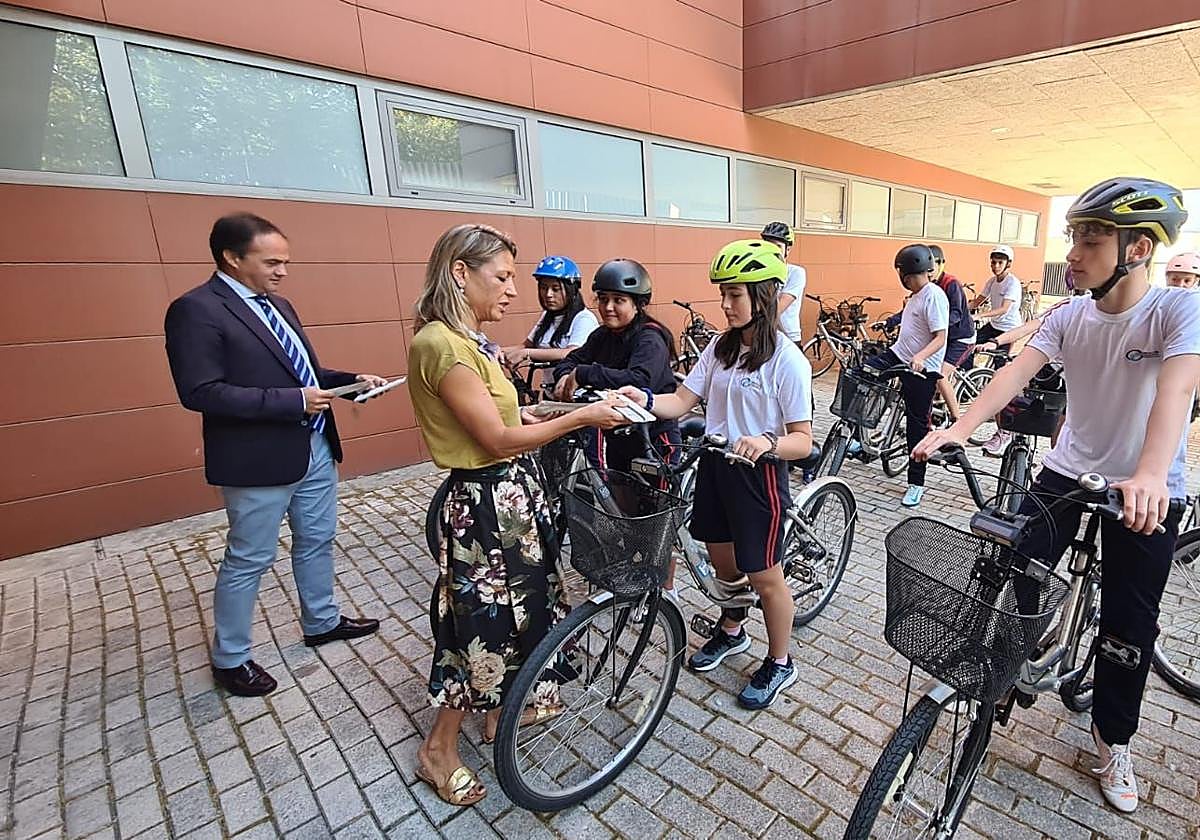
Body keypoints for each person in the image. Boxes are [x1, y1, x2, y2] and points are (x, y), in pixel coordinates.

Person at [915, 177, 1200, 815]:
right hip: (1067, 472)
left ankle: (1112, 738)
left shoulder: (1176, 311)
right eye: (1073, 237)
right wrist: (957, 427)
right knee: (1016, 567)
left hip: (1147, 488)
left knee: (1129, 629)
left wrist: (1152, 474)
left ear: (1135, 250)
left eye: (1089, 240)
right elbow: (1014, 374)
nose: (1072, 253)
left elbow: (1178, 392)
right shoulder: (1070, 315)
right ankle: (1020, 654)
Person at [407, 224, 627, 807]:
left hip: (510, 500)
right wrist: (583, 420)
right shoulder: (442, 345)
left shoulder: (470, 339)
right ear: (460, 272)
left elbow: (514, 418)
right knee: (479, 628)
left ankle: (504, 709)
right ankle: (439, 749)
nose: (512, 290)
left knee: (522, 615)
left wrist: (564, 408)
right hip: (484, 503)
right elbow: (498, 439)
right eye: (502, 276)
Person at [164, 213, 385, 698]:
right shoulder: (195, 309)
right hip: (257, 458)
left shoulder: (278, 304)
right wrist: (293, 402)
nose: (283, 271)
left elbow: (299, 370)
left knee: (318, 538)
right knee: (249, 557)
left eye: (286, 261)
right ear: (231, 257)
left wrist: (348, 383)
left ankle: (321, 621)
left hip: (315, 446)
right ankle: (231, 658)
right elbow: (201, 391)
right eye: (272, 261)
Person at [619, 240, 813, 709]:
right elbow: (680, 402)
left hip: (758, 476)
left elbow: (802, 441)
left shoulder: (787, 360)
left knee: (764, 574)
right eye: (723, 294)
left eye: (735, 295)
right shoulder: (720, 349)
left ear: (764, 296)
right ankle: (732, 629)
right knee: (724, 565)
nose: (725, 304)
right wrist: (639, 399)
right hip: (715, 466)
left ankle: (781, 661)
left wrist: (766, 443)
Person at [553, 259, 680, 475]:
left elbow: (638, 380)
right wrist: (565, 375)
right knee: (618, 494)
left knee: (655, 505)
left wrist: (585, 373)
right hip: (618, 433)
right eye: (603, 299)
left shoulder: (650, 339)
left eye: (618, 300)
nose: (608, 307)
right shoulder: (602, 335)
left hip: (653, 437)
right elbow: (571, 359)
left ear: (638, 304)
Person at [863, 245, 948, 508]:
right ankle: (859, 439)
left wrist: (921, 357)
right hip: (899, 354)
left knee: (916, 426)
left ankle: (916, 484)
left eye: (901, 273)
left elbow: (941, 337)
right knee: (862, 374)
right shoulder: (916, 295)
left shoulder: (933, 296)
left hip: (923, 370)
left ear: (908, 273)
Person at [500, 255, 599, 367]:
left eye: (555, 289)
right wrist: (497, 351)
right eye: (544, 288)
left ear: (572, 290)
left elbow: (572, 353)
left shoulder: (584, 318)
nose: (548, 294)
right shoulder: (547, 316)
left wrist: (526, 354)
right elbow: (525, 346)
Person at [760, 221, 806, 346]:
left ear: (788, 249)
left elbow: (777, 308)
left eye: (777, 246)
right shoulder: (758, 272)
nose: (772, 251)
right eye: (767, 246)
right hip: (764, 337)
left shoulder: (795, 273)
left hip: (788, 338)